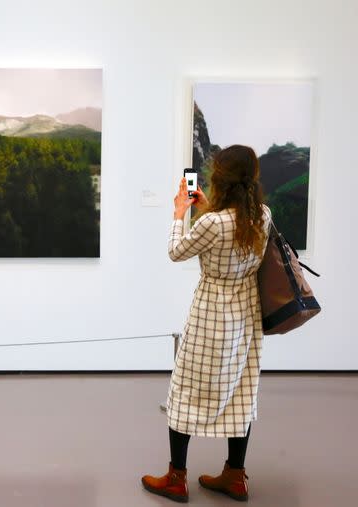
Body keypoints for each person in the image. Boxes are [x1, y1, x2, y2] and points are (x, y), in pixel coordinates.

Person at [141, 145, 271, 502]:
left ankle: (176, 477)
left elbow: (176, 251)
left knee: (185, 389)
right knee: (241, 390)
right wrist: (206, 207)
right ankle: (235, 475)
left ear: (220, 178)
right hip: (247, 313)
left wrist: (179, 212)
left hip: (212, 312)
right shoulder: (262, 214)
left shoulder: (213, 222)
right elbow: (231, 227)